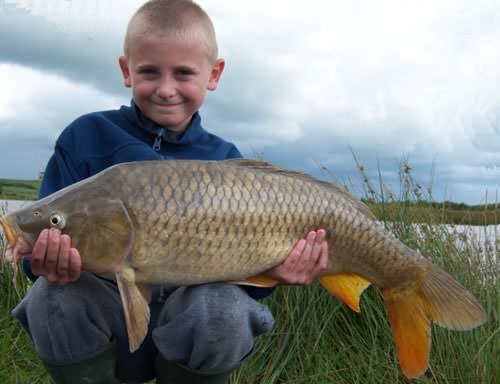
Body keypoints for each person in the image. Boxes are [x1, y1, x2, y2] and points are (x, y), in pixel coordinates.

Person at [12, 1, 329, 383]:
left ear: (214, 74)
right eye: (149, 72)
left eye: (183, 73)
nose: (166, 90)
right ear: (126, 70)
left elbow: (245, 287)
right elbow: (41, 251)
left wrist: (276, 273)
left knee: (223, 310)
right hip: (107, 328)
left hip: (191, 331)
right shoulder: (86, 138)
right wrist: (41, 262)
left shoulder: (226, 162)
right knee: (52, 298)